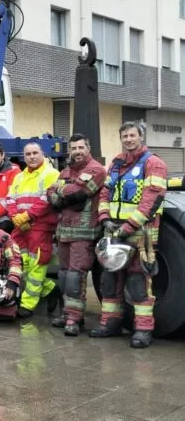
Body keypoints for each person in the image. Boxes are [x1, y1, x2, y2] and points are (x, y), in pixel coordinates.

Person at [91, 122, 167, 348]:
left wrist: (128, 227)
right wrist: (104, 218)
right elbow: (104, 192)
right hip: (113, 230)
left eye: (132, 135)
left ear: (141, 137)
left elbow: (151, 201)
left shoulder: (154, 164)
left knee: (138, 282)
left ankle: (143, 329)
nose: (128, 139)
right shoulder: (115, 163)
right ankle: (110, 323)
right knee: (109, 280)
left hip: (140, 234)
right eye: (124, 135)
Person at [47, 134, 106, 336]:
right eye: (74, 148)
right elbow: (50, 194)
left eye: (81, 147)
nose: (77, 151)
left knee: (75, 276)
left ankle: (74, 318)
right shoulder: (66, 170)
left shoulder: (96, 170)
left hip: (84, 232)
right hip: (63, 231)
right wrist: (64, 193)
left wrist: (62, 192)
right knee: (63, 275)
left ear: (88, 148)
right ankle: (68, 313)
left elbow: (80, 193)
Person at [4, 142, 61, 318]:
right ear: (24, 157)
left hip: (40, 227)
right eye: (28, 154)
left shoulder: (51, 174)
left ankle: (28, 304)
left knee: (37, 265)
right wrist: (15, 217)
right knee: (19, 263)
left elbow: (46, 200)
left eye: (35, 152)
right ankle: (50, 289)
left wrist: (27, 216)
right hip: (21, 227)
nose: (32, 156)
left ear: (43, 153)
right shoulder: (19, 177)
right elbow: (10, 198)